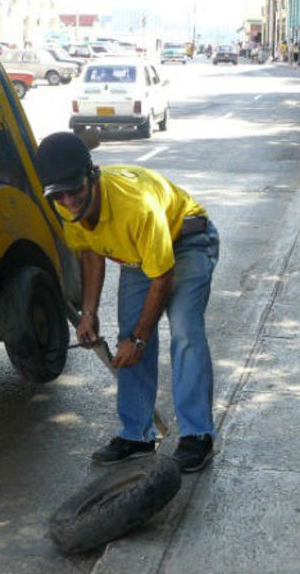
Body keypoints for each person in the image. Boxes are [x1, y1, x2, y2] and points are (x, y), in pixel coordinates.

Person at [36, 132, 220, 473]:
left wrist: (140, 338)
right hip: (138, 253)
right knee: (127, 337)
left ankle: (198, 435)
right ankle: (137, 435)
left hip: (187, 239)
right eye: (57, 194)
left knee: (184, 331)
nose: (68, 200)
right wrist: (88, 314)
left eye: (74, 190)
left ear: (92, 174)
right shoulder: (64, 206)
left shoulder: (135, 206)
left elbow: (162, 277)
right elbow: (90, 250)